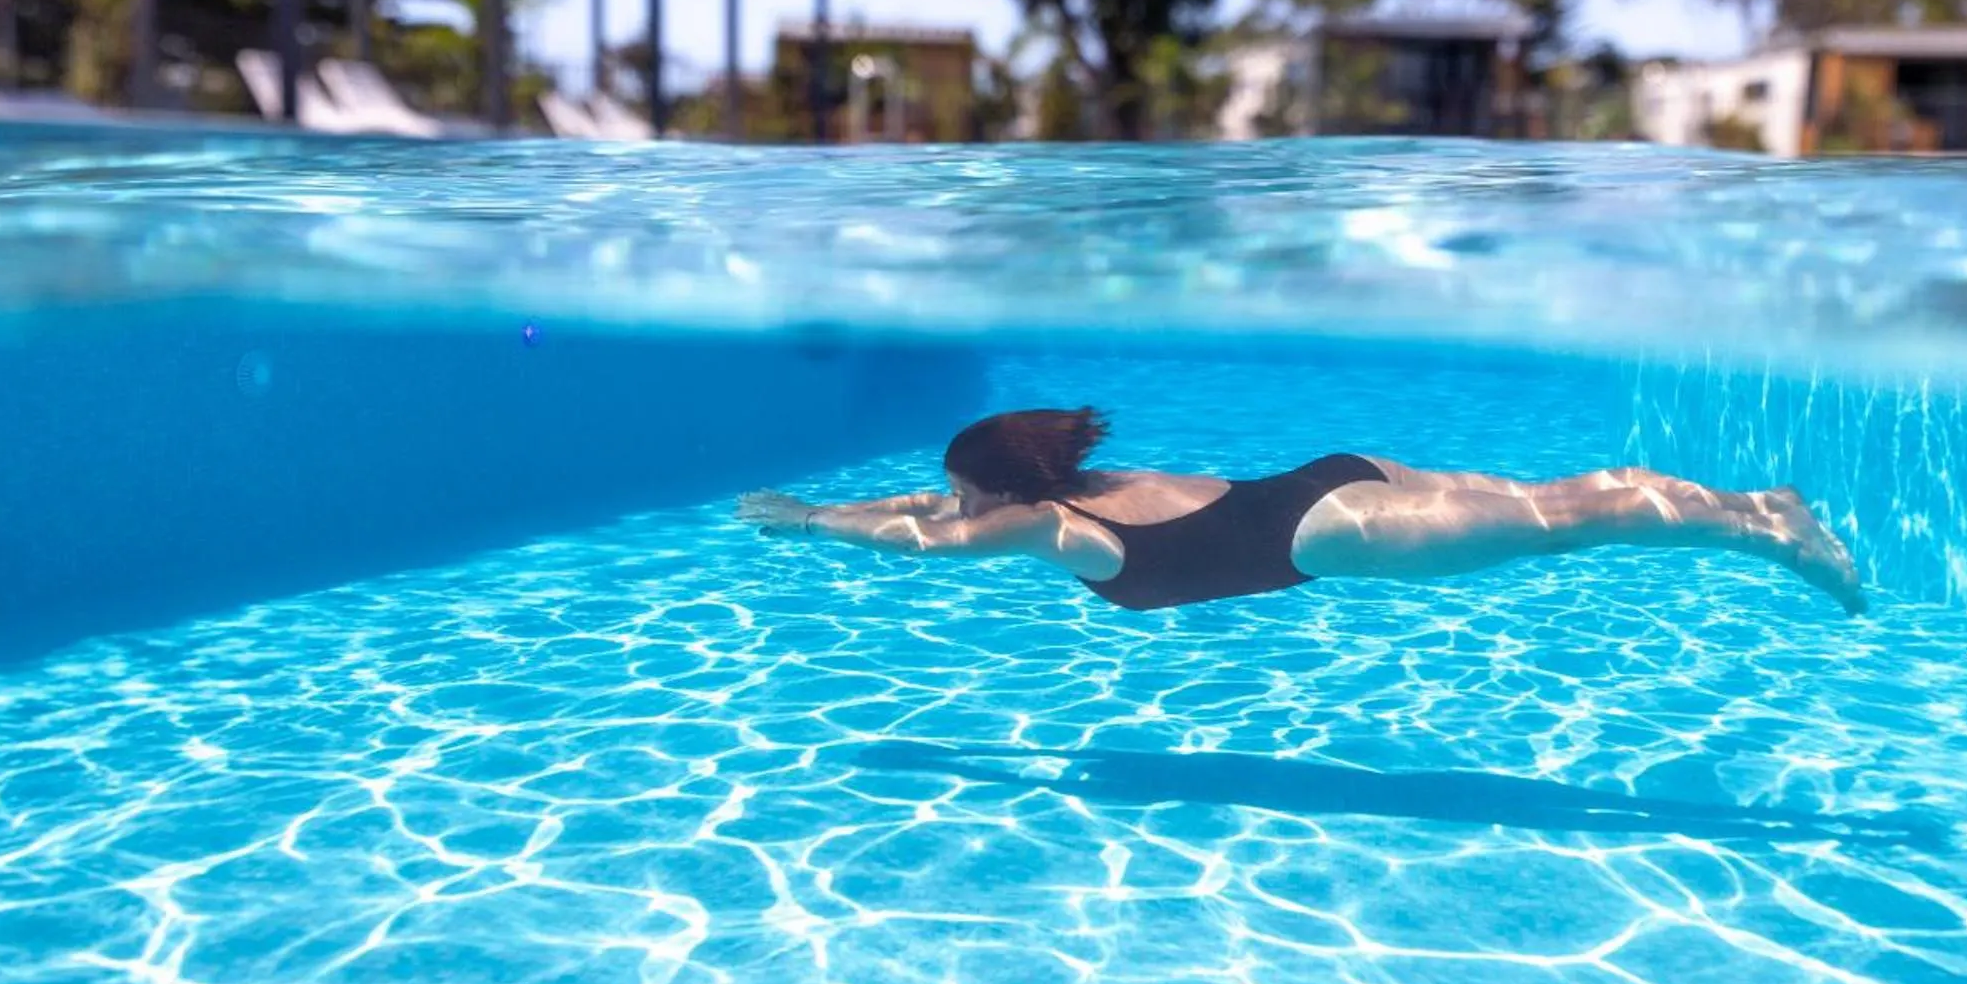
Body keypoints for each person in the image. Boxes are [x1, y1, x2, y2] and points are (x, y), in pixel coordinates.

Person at [736, 407, 1866, 617]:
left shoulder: (1039, 527)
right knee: (1552, 498)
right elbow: (930, 501)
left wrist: (808, 526)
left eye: (967, 490)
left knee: (1570, 518)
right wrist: (828, 498)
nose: (956, 505)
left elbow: (925, 538)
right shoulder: (1067, 494)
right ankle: (1758, 506)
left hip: (1327, 534)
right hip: (1329, 473)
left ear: (1004, 495)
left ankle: (1764, 526)